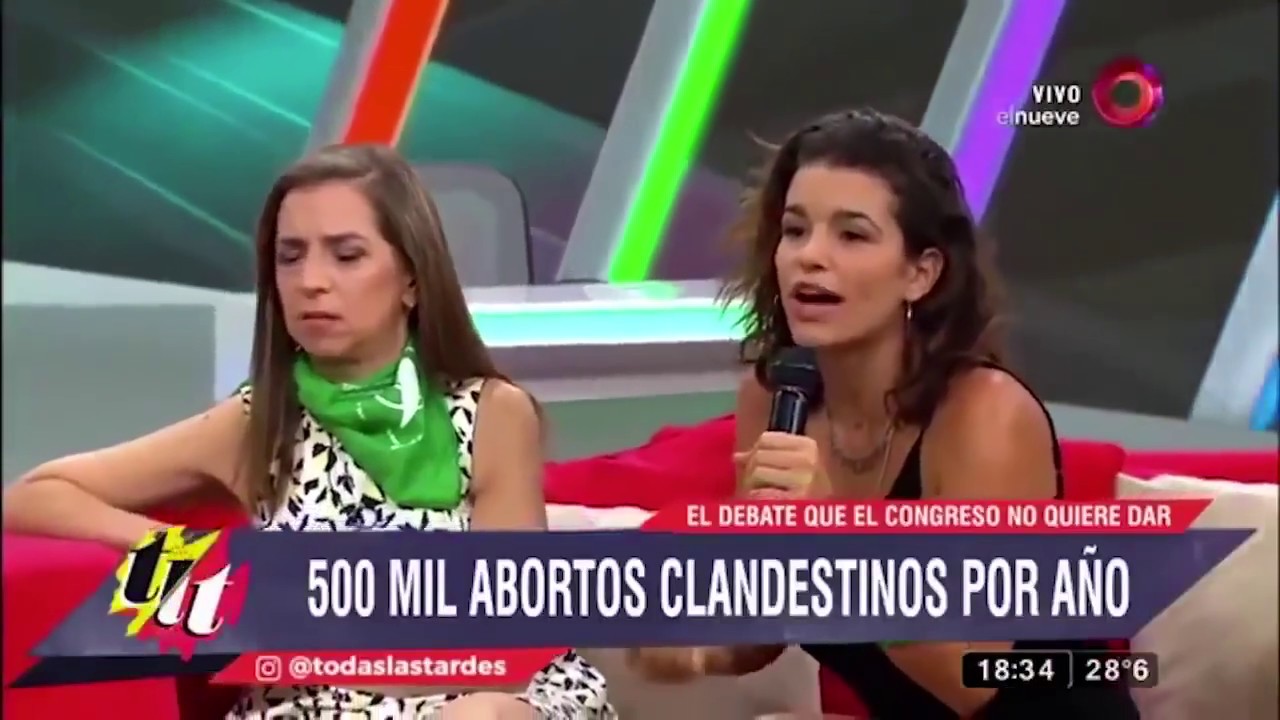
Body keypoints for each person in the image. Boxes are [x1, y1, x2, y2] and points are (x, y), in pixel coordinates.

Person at [3, 144, 614, 720]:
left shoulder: (493, 414)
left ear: (411, 278)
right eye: (290, 256)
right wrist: (184, 551)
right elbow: (36, 495)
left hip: (472, 694)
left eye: (346, 256)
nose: (310, 281)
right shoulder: (259, 422)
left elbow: (507, 634)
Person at [628, 109, 1141, 719]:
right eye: (795, 230)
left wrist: (835, 537)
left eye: (851, 235)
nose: (809, 256)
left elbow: (971, 677)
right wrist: (696, 648)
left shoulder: (985, 415)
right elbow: (769, 612)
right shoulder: (776, 397)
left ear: (920, 274)